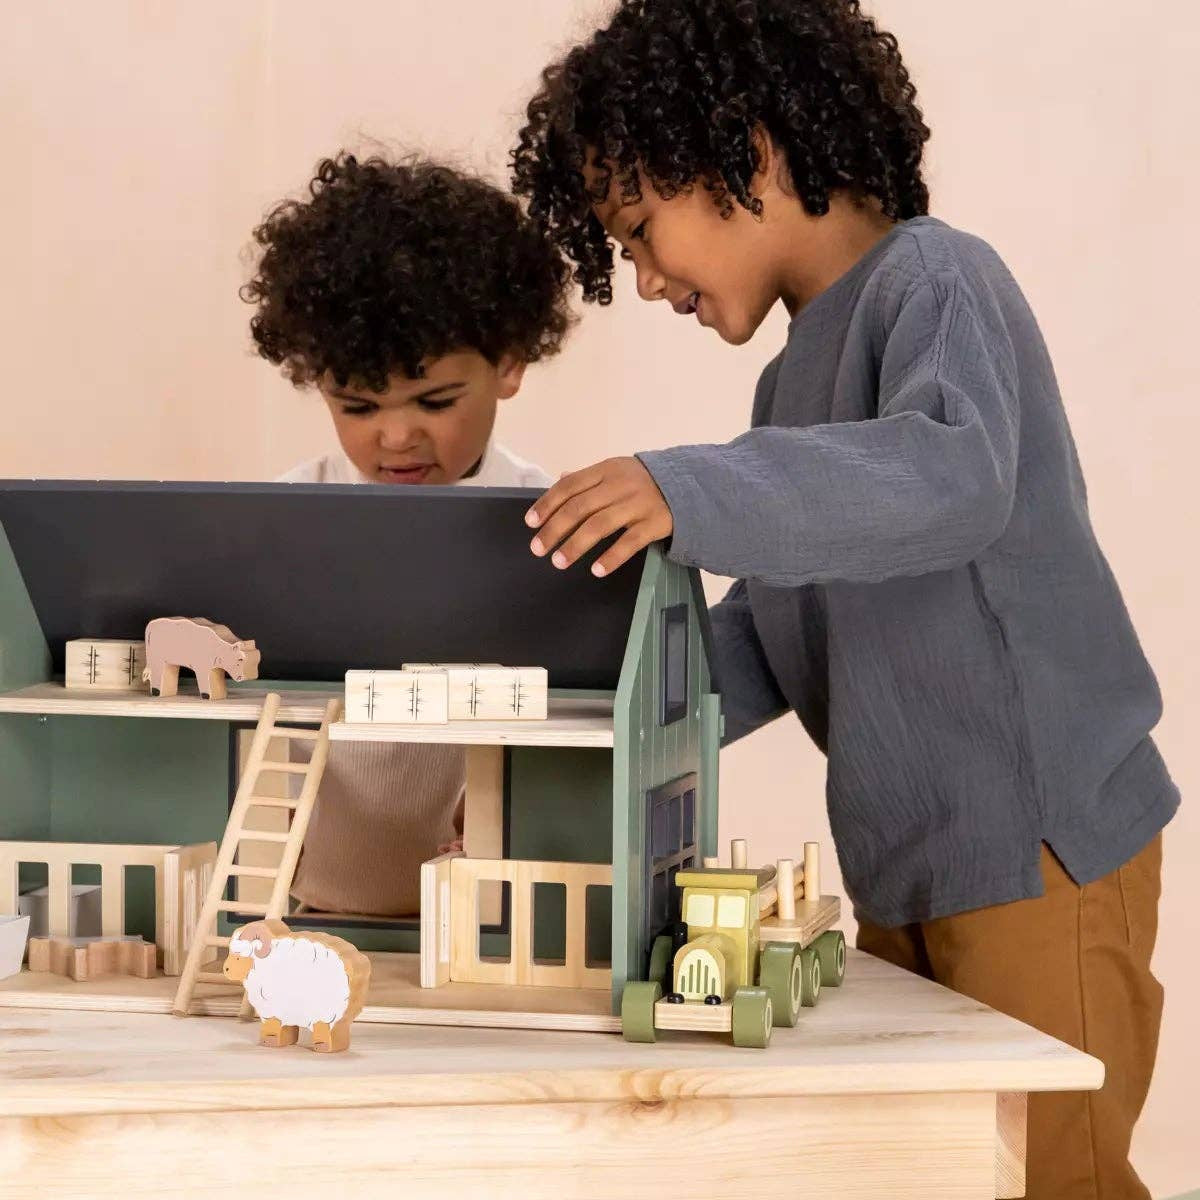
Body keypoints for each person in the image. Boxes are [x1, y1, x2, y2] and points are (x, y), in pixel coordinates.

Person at [510, 4, 1178, 1196]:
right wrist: (584, 729)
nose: (648, 279)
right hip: (909, 867)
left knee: (1051, 1175)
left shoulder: (937, 277)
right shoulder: (788, 386)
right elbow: (773, 633)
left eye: (642, 231)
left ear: (751, 155)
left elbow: (951, 476)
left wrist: (687, 483)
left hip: (1039, 850)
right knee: (927, 1168)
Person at [242, 151, 572, 915]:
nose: (395, 437)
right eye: (357, 407)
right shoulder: (287, 520)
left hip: (481, 922)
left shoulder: (548, 519)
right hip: (306, 906)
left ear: (511, 362)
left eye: (435, 401)